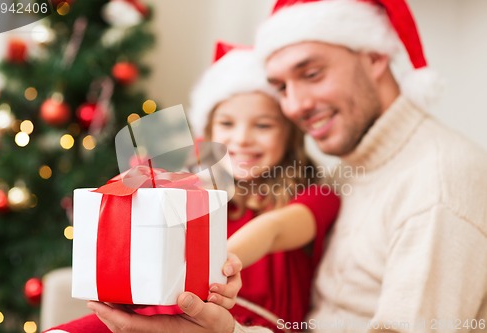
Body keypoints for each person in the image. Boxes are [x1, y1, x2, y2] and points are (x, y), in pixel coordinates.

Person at [84, 0, 487, 332]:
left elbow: (276, 232)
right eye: (280, 88)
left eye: (311, 73)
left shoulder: (438, 184)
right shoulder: (355, 172)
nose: (294, 106)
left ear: (376, 57)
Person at [44, 42, 340, 333]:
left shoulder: (316, 195)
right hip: (177, 311)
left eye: (263, 126)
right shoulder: (193, 194)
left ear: (290, 135)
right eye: (226, 124)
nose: (242, 139)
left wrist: (218, 262)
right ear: (209, 133)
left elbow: (273, 229)